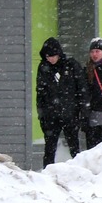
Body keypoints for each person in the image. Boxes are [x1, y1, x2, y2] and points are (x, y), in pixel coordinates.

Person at [35, 37, 87, 168]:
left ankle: (78, 171)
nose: (50, 59)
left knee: (74, 148)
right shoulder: (43, 68)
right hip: (51, 116)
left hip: (70, 114)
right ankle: (47, 174)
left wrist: (82, 112)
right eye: (47, 56)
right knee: (49, 149)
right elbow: (40, 93)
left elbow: (82, 89)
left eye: (53, 56)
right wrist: (42, 116)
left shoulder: (71, 65)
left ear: (59, 53)